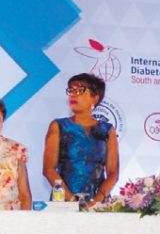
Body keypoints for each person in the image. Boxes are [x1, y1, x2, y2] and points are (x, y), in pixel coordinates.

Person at [42, 73, 119, 206]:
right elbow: (49, 170)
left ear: (95, 98)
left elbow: (113, 173)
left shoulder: (107, 130)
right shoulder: (58, 126)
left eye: (80, 90)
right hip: (64, 201)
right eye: (71, 90)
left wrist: (95, 202)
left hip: (98, 203)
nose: (73, 94)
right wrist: (73, 201)